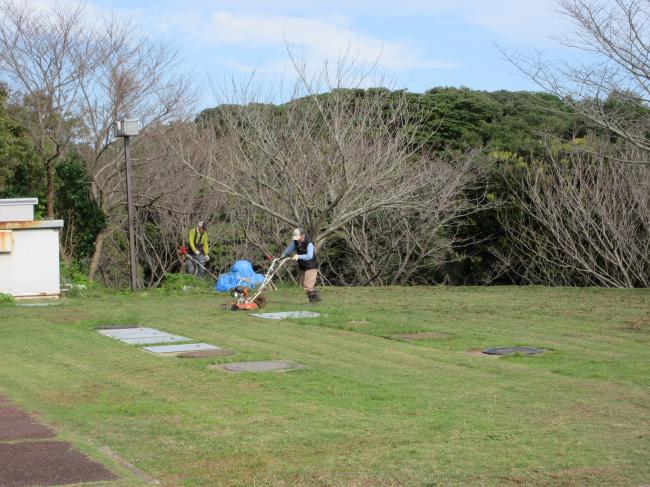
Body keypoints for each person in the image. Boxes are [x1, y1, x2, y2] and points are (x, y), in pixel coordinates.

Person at [280, 228, 321, 303]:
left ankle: (313, 301)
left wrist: (299, 256)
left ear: (303, 235)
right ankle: (316, 298)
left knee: (308, 285)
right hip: (303, 266)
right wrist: (283, 255)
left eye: (298, 238)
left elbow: (309, 256)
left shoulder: (309, 243)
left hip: (311, 266)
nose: (297, 240)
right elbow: (290, 248)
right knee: (307, 285)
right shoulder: (295, 242)